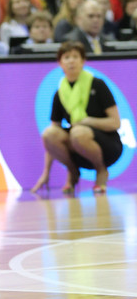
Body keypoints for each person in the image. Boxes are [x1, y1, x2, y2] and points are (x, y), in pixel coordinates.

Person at [32, 41, 122, 195]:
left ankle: (101, 171)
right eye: (67, 57)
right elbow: (51, 138)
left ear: (83, 61)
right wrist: (46, 172)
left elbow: (115, 122)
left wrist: (88, 121)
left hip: (106, 144)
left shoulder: (98, 85)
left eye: (75, 57)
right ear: (60, 63)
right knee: (49, 134)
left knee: (79, 132)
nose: (71, 61)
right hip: (77, 147)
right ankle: (73, 171)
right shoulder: (60, 93)